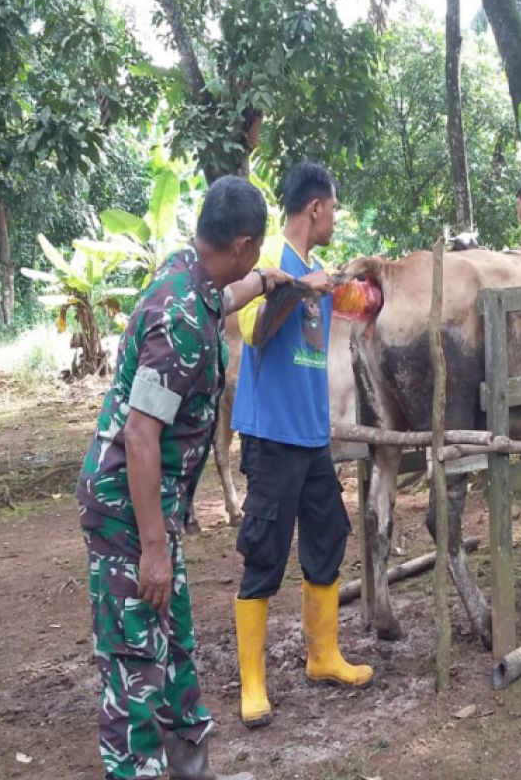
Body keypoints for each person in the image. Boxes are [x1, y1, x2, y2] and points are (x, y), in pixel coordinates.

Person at [77, 176, 267, 780]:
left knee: (176, 645)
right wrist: (154, 546)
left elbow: (223, 300)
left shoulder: (191, 272)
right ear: (240, 243)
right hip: (127, 509)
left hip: (154, 504)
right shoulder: (180, 320)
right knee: (136, 661)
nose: (258, 255)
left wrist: (270, 282)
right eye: (258, 248)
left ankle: (190, 768)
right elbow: (139, 434)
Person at [230, 161, 372, 730]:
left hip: (313, 437)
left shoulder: (317, 268)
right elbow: (253, 330)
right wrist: (294, 287)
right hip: (271, 435)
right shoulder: (267, 265)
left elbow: (364, 305)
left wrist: (362, 286)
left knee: (328, 536)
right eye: (334, 209)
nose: (335, 218)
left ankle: (323, 656)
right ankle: (253, 683)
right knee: (264, 550)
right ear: (315, 209)